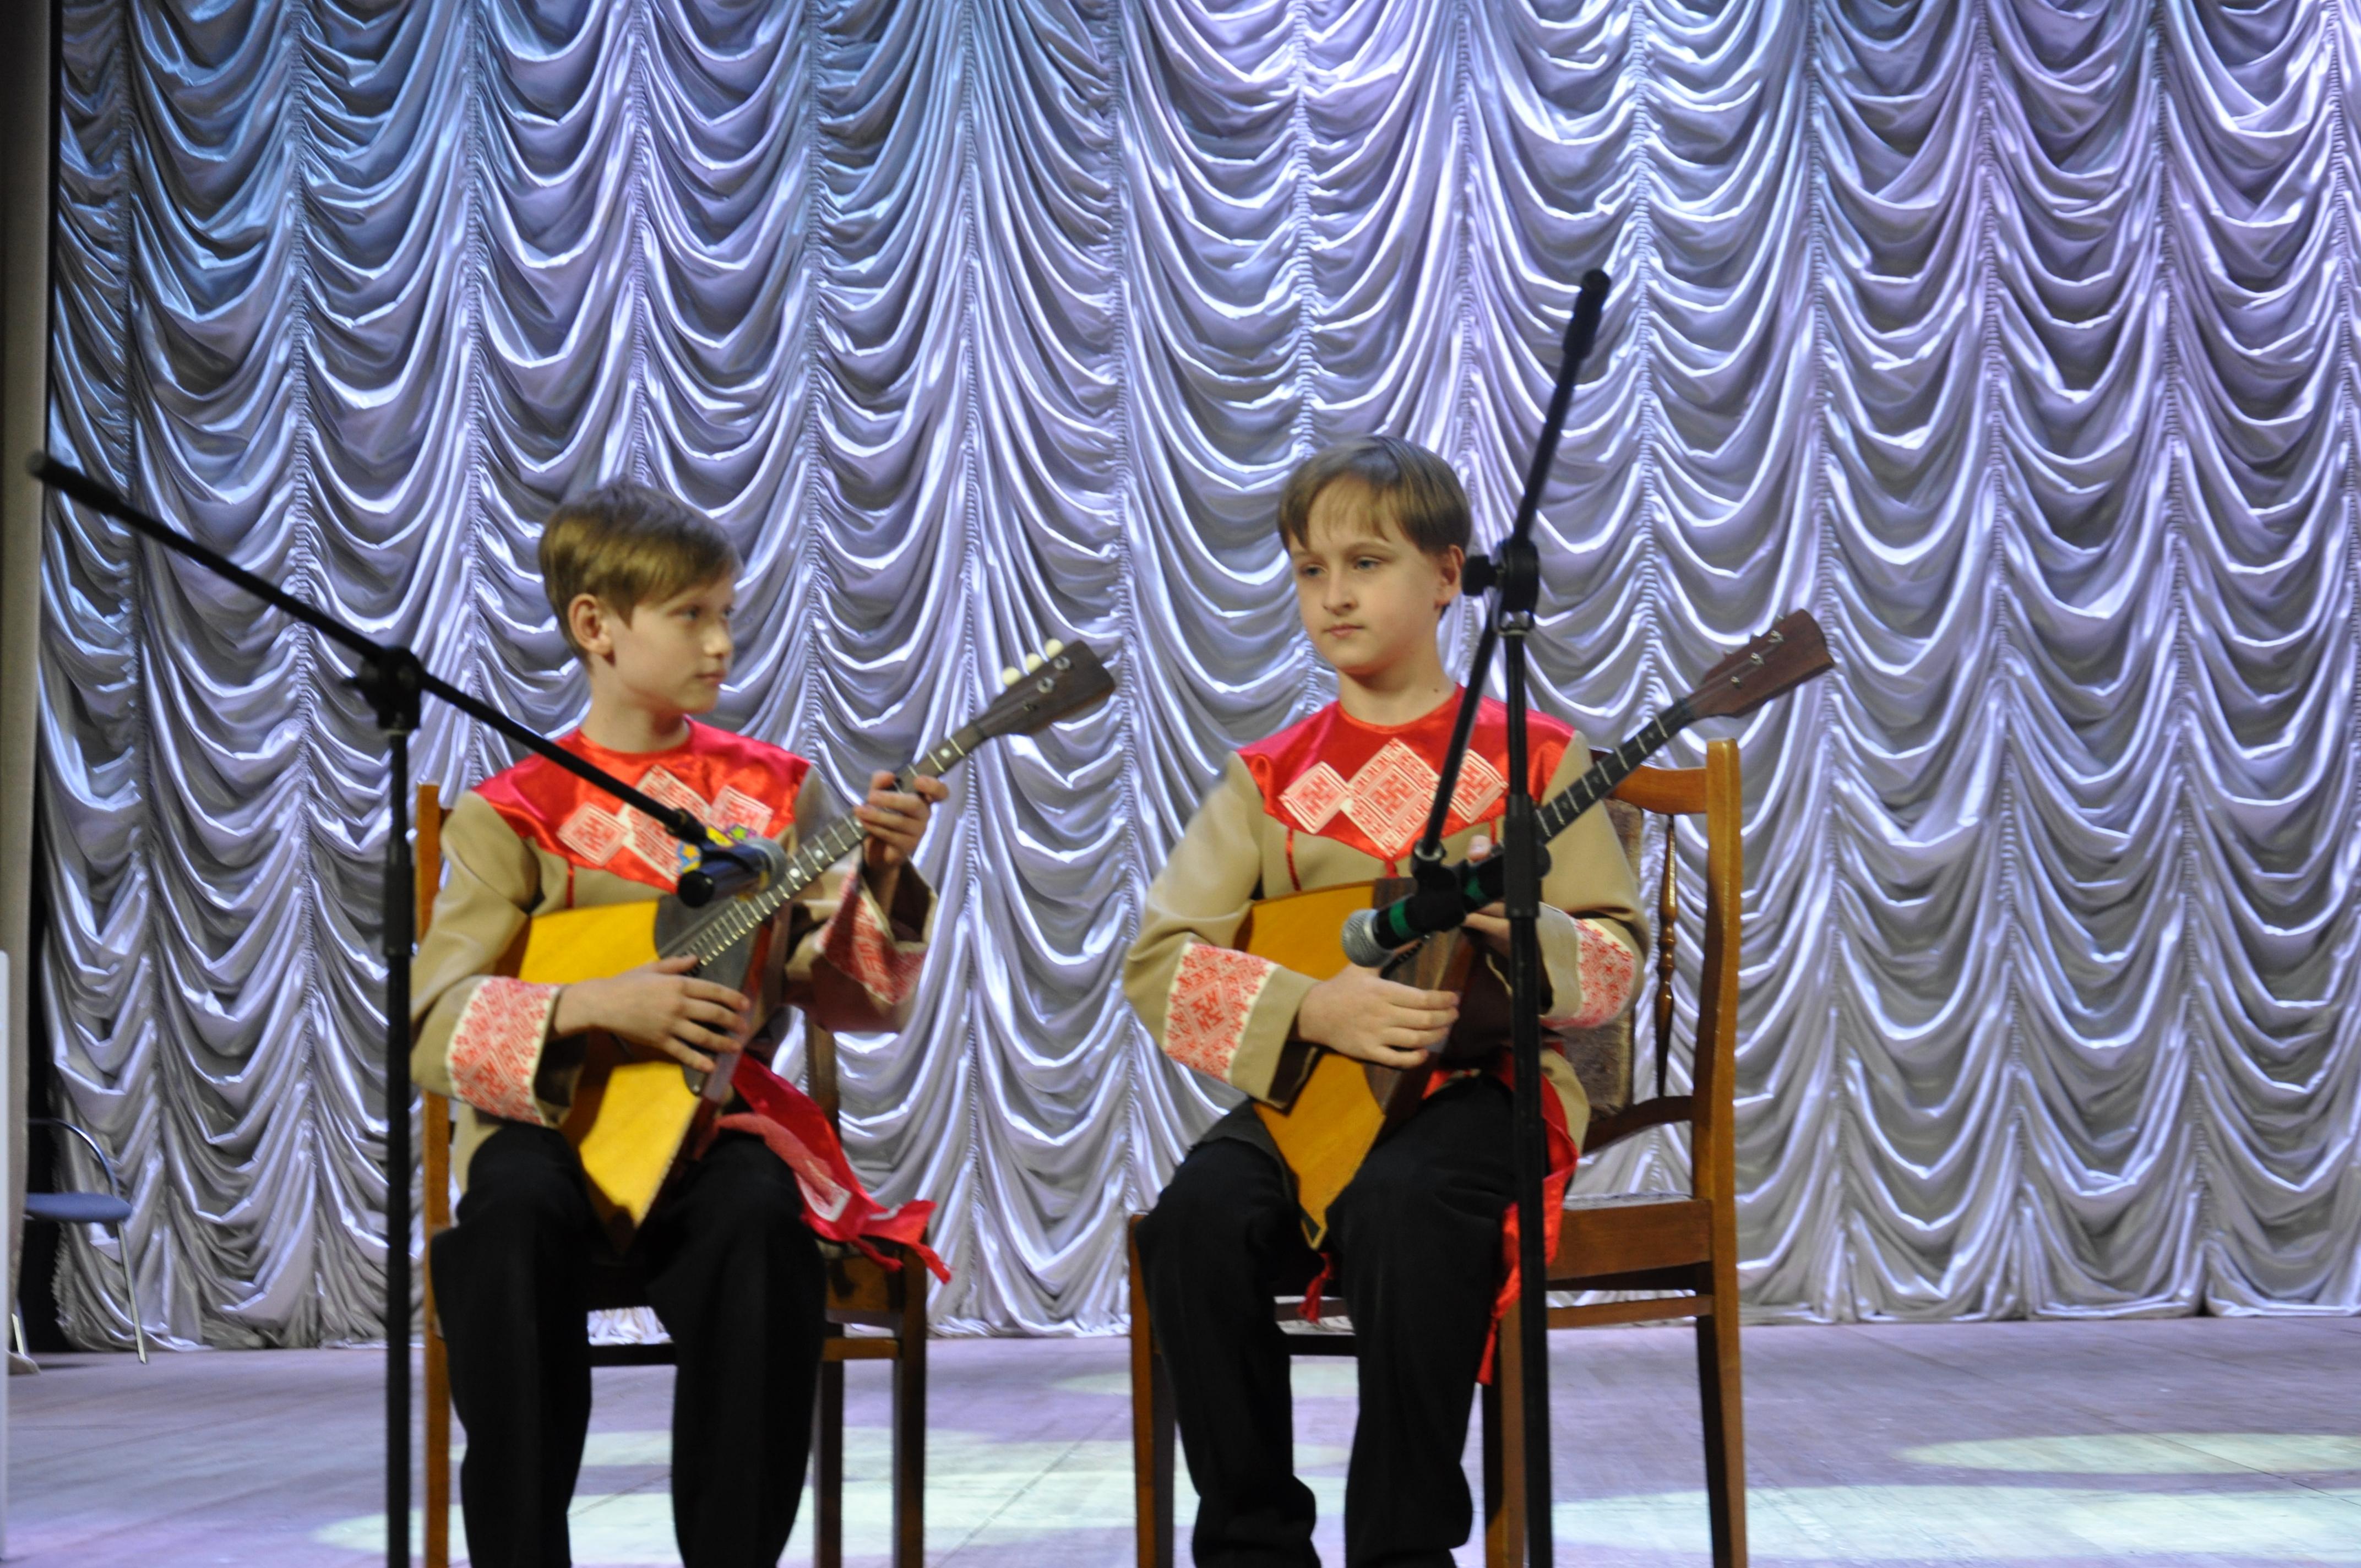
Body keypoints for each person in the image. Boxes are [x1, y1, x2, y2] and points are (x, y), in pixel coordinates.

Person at [1126, 436, 1649, 1566]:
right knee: (1192, 1225)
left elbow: (1611, 958)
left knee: (1405, 1210)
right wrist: (1314, 1013)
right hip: (1315, 1094)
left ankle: (1402, 1547)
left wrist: (1520, 931)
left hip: (1484, 1089)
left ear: (1450, 574)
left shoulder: (1540, 758)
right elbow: (1162, 957)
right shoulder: (1267, 774)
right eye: (1308, 569)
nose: (1333, 593)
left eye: (1364, 561)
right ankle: (1253, 1543)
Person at [411, 481, 949, 1568]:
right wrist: (590, 1003)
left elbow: (847, 999)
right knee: (504, 1224)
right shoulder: (511, 808)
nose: (720, 639)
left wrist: (880, 877)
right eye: (691, 613)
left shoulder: (769, 791)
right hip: (555, 1132)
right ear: (596, 626)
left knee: (761, 1224)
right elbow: (436, 1024)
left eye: (725, 612)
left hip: (709, 1131)